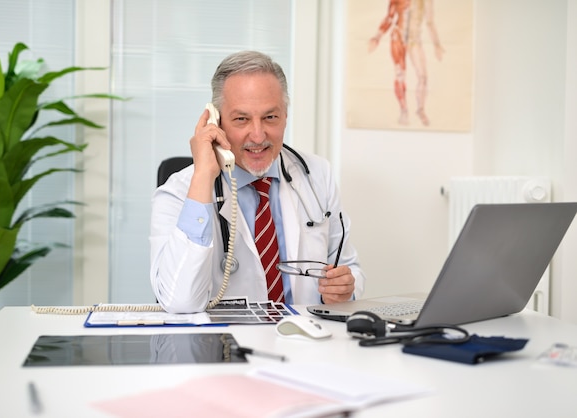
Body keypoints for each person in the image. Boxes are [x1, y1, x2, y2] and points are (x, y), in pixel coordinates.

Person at [150, 51, 366, 313]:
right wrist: (203, 176)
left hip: (303, 340)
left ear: (285, 115)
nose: (258, 134)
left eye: (270, 117)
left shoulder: (317, 175)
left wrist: (344, 288)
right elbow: (179, 301)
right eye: (241, 119)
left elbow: (348, 268)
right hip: (223, 347)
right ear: (216, 121)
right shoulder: (180, 191)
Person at [368, 0, 444, 126]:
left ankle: (420, 109)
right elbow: (390, 17)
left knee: (423, 77)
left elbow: (430, 22)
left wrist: (437, 44)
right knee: (400, 76)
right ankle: (404, 109)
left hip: (414, 40)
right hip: (398, 37)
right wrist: (377, 37)